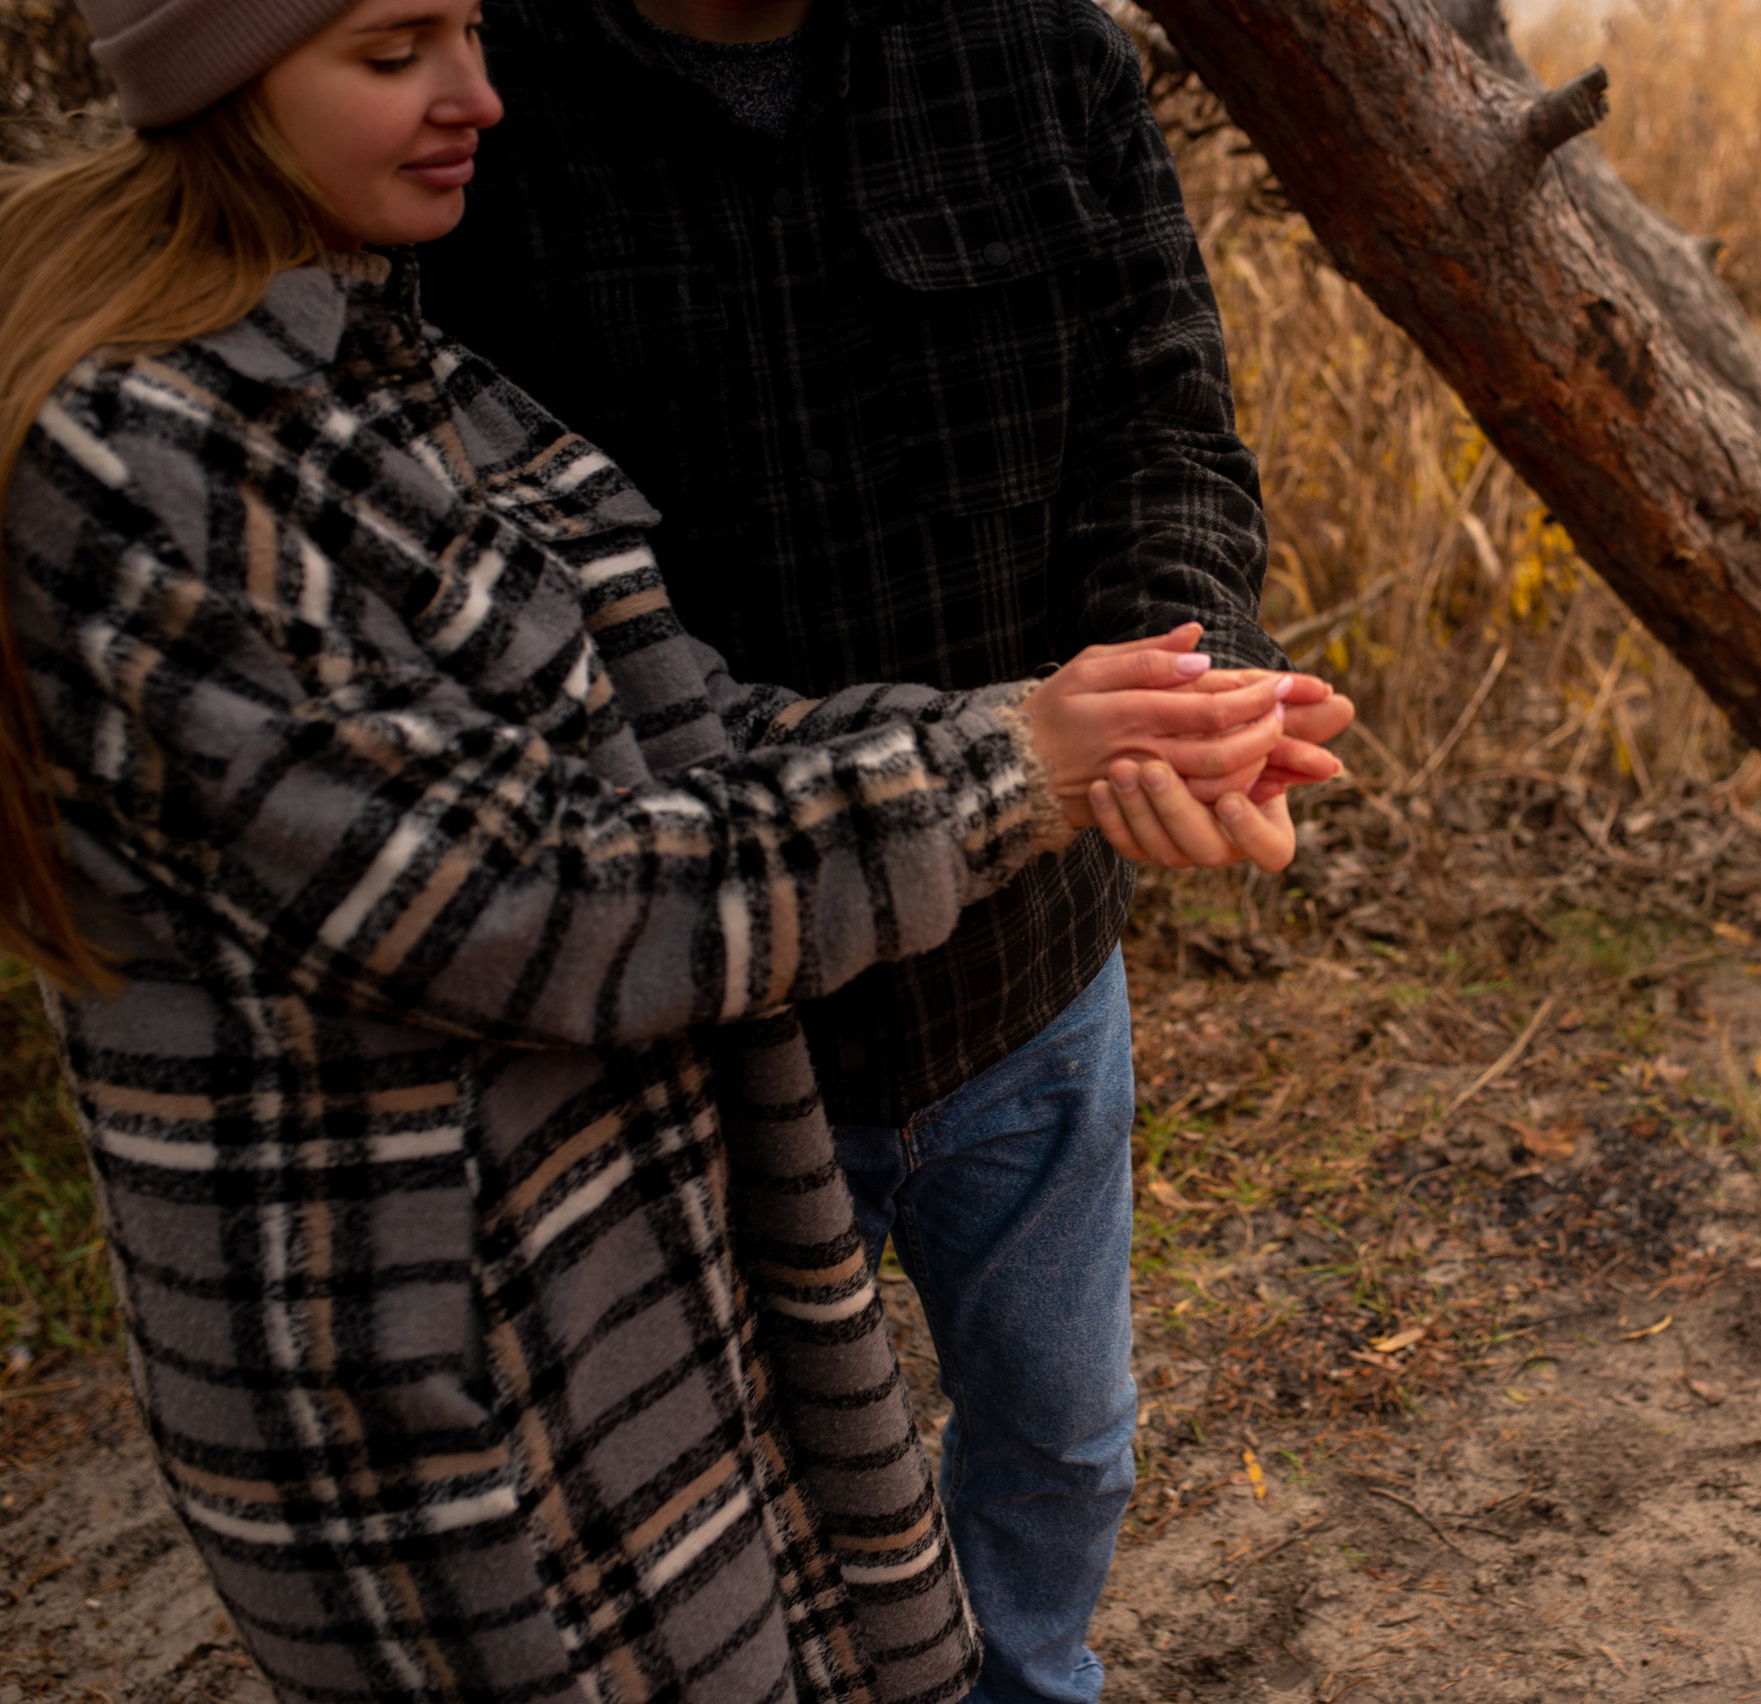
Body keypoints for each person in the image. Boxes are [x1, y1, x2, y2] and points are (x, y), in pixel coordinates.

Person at [0, 2, 1302, 1699]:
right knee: (746, 1573)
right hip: (560, 1216)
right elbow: (526, 889)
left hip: (962, 998)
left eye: (459, 34)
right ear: (227, 84)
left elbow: (685, 718)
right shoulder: (155, 444)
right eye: (397, 50)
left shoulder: (387, 354)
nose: (469, 94)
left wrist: (1142, 715)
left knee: (1030, 1457)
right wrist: (1018, 762)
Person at [417, 6, 1356, 1699]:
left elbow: (1163, 429)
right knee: (749, 1524)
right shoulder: (478, 110)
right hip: (704, 1036)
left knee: (1067, 1439)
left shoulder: (1041, 52)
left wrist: (1188, 693)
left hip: (1028, 981)